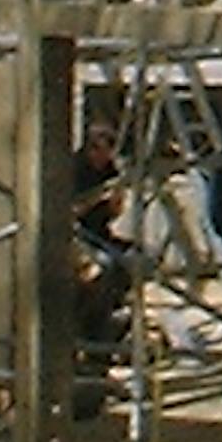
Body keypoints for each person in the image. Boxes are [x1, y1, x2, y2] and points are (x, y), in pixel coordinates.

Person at [69, 108, 139, 341]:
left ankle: (112, 311)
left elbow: (112, 215)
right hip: (75, 235)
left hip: (99, 233)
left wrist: (116, 198)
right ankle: (88, 325)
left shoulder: (109, 170)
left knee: (133, 258)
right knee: (104, 265)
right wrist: (96, 197)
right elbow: (70, 212)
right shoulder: (75, 169)